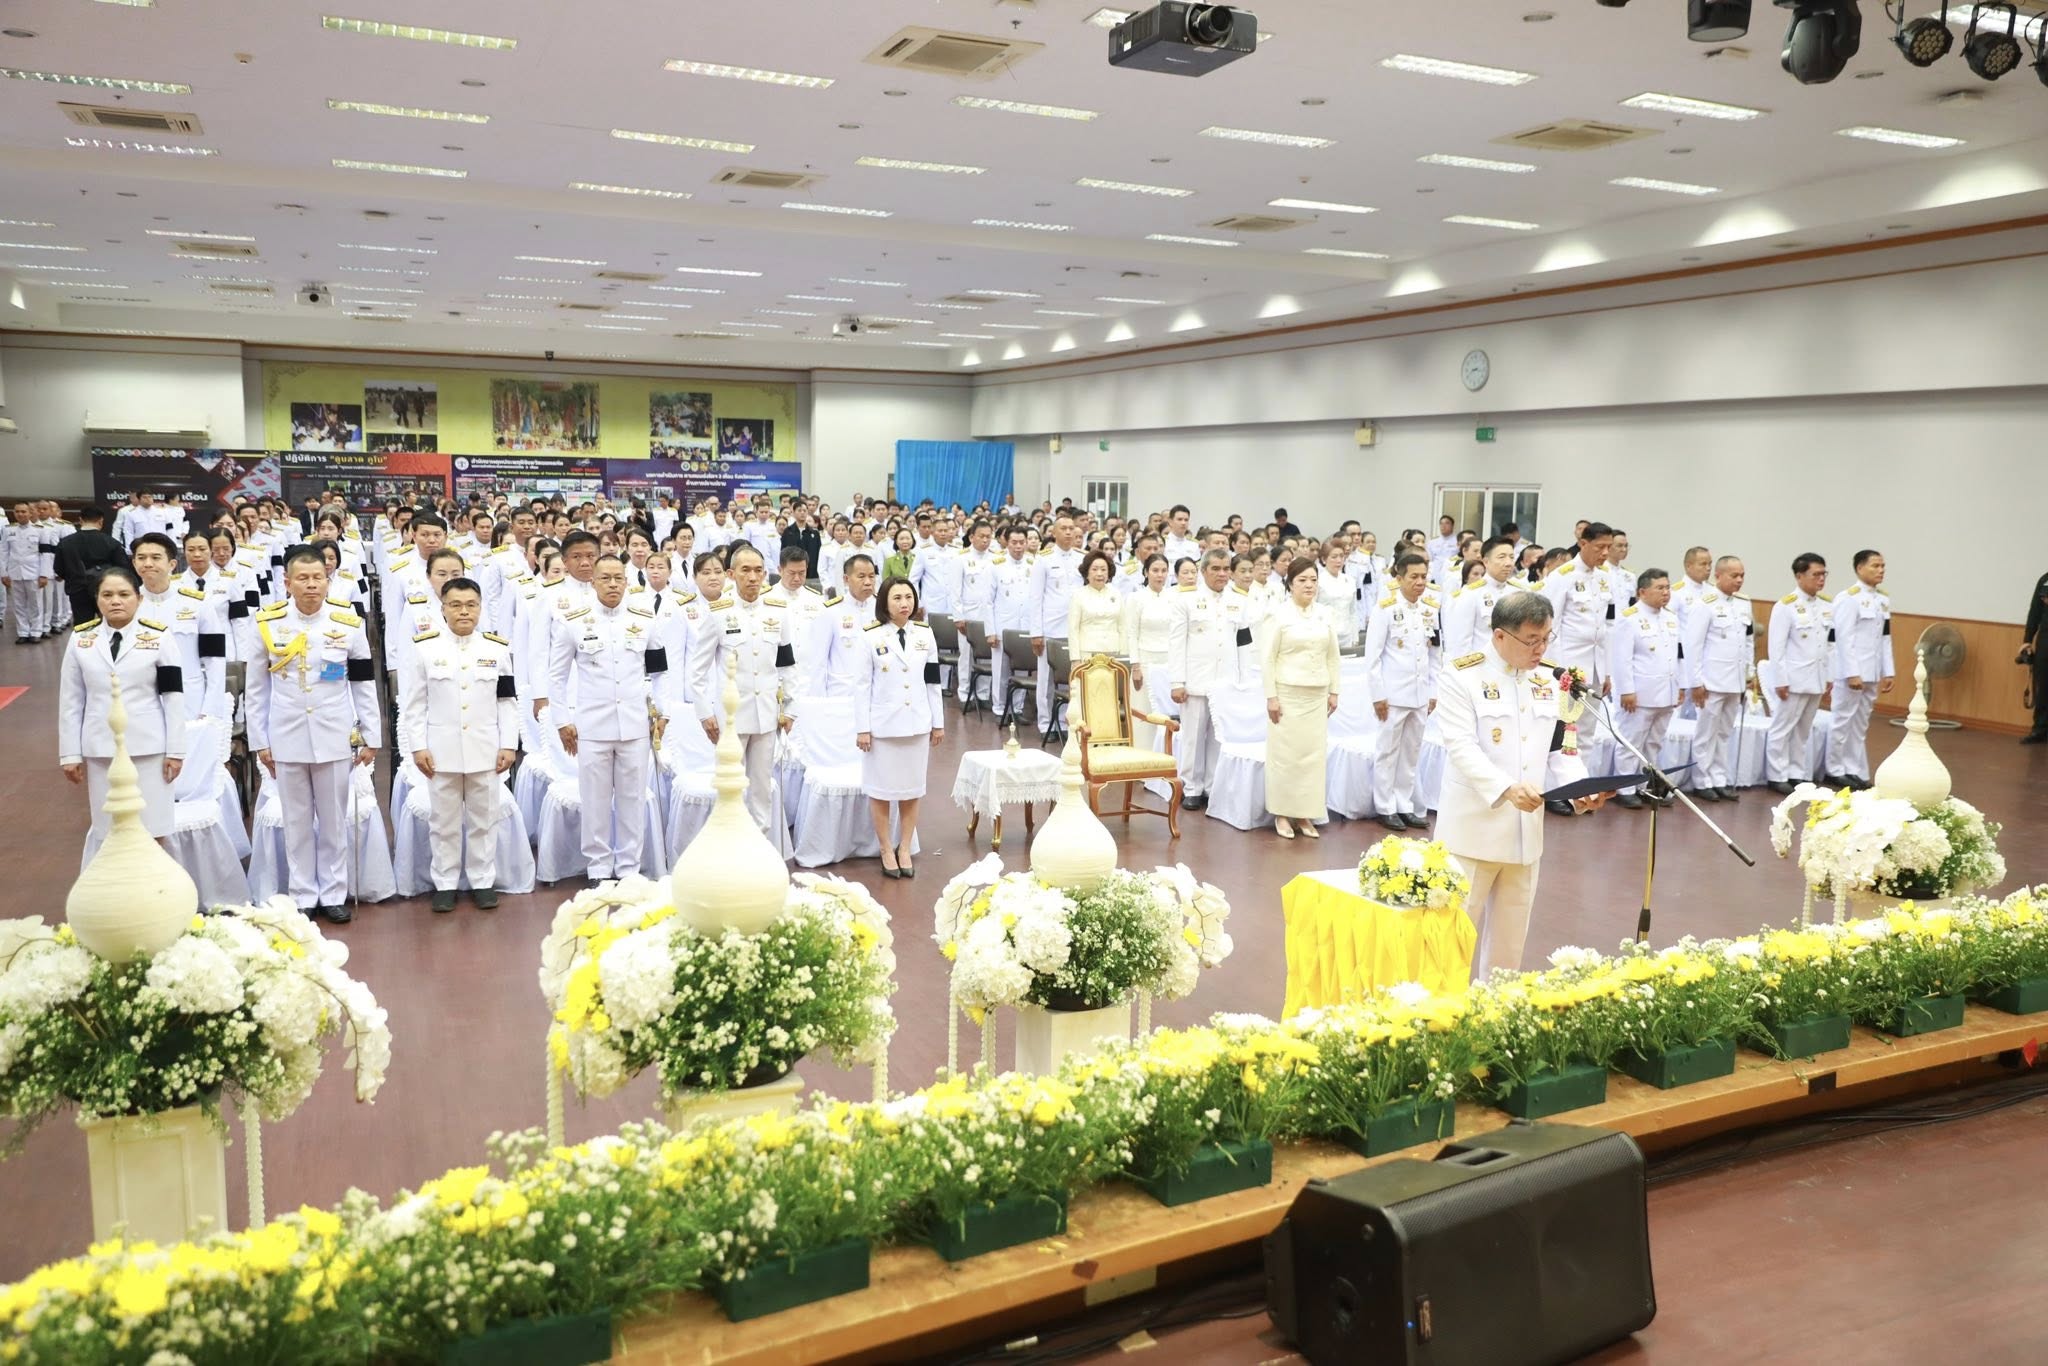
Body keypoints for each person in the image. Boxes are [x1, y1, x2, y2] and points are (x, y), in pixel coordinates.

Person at [1435, 591, 1604, 979]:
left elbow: (1559, 747)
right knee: (1454, 938)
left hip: (1525, 834)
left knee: (1509, 947)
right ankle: (1446, 1010)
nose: (1540, 649)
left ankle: (1500, 1007)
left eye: (1546, 638)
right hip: (1473, 831)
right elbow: (1462, 747)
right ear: (1500, 636)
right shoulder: (1461, 676)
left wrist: (1579, 789)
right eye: (1531, 640)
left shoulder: (1549, 678)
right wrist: (1507, 788)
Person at [247, 546, 380, 923]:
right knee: (297, 821)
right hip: (285, 734)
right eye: (302, 578)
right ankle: (303, 894)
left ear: (327, 581)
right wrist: (260, 741)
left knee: (334, 820)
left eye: (317, 578)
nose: (310, 585)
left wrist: (371, 735)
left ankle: (334, 893)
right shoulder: (267, 623)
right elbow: (256, 689)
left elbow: (363, 683)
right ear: (287, 582)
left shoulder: (347, 623)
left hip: (334, 733)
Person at [550, 555, 670, 883]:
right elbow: (556, 676)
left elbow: (660, 672)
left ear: (627, 582)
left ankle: (629, 867)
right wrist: (562, 721)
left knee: (633, 799)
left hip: (635, 725)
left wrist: (664, 712)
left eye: (619, 578)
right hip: (592, 726)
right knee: (595, 801)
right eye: (606, 578)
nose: (613, 584)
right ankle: (599, 867)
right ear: (593, 582)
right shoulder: (574, 621)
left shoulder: (645, 619)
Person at [403, 577, 519, 912]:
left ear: (480, 608)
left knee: (485, 819)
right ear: (443, 609)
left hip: (486, 749)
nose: (464, 611)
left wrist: (508, 744)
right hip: (441, 751)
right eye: (455, 605)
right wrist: (418, 747)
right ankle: (445, 882)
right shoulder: (425, 648)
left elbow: (507, 702)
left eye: (471, 605)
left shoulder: (496, 649)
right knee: (444, 822)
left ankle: (482, 880)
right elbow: (415, 705)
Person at [59, 565, 186, 856]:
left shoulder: (159, 638)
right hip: (102, 749)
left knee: (153, 829)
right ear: (97, 600)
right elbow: (71, 700)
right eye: (107, 595)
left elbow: (173, 697)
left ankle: (155, 884)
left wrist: (176, 750)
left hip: (149, 749)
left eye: (124, 594)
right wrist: (70, 754)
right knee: (110, 832)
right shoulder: (81, 640)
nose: (115, 601)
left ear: (138, 599)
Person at [690, 542, 796, 837]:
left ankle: (759, 845)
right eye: (745, 570)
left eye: (758, 571)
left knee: (762, 787)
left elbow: (787, 665)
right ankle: (729, 843)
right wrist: (705, 713)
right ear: (731, 574)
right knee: (730, 787)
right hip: (731, 718)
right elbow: (697, 670)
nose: (752, 577)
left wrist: (790, 709)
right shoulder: (718, 613)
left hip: (767, 714)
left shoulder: (777, 612)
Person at [854, 576, 944, 879]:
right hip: (883, 727)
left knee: (911, 790)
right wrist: (862, 728)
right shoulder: (870, 636)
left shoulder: (925, 634)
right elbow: (861, 686)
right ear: (885, 602)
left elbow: (933, 681)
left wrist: (938, 723)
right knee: (881, 791)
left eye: (909, 597)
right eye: (897, 598)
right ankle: (884, 848)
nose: (905, 603)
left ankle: (904, 847)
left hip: (916, 724)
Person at [1262, 557, 1341, 839]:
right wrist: (1271, 696)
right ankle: (1282, 813)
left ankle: (1305, 813)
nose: (1309, 585)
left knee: (1312, 758)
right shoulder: (1278, 614)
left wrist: (1334, 691)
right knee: (1286, 757)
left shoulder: (1325, 614)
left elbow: (1333, 655)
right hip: (1287, 693)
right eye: (1302, 580)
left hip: (1316, 694)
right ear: (1290, 584)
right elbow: (1268, 658)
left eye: (1313, 580)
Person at [1540, 521, 1617, 811]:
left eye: (1609, 547)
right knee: (1562, 731)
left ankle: (1579, 792)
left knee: (1586, 731)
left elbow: (1608, 628)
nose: (1605, 553)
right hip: (1569, 665)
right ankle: (1556, 792)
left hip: (1594, 665)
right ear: (1583, 543)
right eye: (1600, 547)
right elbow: (1551, 626)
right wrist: (1558, 670)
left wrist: (1606, 670)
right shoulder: (1563, 576)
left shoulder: (1605, 578)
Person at [1167, 550, 1251, 813]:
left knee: (1219, 739)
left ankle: (1212, 787)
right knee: (1192, 738)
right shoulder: (1186, 600)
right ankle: (1191, 787)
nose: (1222, 574)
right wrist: (1177, 682)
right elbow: (1176, 643)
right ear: (1203, 571)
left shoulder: (1239, 601)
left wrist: (1244, 682)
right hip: (1195, 680)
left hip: (1226, 682)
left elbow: (1244, 644)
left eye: (1226, 568)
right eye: (1215, 568)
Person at [1365, 552, 1443, 831]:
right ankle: (1385, 806)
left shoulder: (1429, 609)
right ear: (1399, 578)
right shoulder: (1385, 608)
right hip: (1393, 695)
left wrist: (1433, 692)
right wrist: (1378, 695)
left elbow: (1435, 654)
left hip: (1420, 694)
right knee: (1387, 751)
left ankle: (1404, 804)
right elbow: (1373, 657)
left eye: (1424, 577)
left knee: (1411, 752)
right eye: (1414, 577)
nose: (1420, 582)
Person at [1681, 556, 1755, 803]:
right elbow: (1693, 646)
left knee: (1724, 732)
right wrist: (1696, 682)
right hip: (1711, 681)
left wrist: (1749, 673)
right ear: (1718, 576)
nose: (1739, 580)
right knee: (1706, 733)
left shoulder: (1744, 603)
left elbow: (1748, 642)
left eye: (1742, 575)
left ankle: (1719, 778)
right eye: (1734, 575)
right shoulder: (1705, 604)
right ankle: (1702, 780)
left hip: (1735, 680)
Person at [1609, 570, 1685, 809]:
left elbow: (1678, 656)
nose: (1666, 592)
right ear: (1642, 592)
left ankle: (1645, 786)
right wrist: (1626, 690)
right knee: (1631, 742)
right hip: (1640, 694)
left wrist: (1680, 686)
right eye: (1660, 588)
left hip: (1666, 692)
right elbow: (1621, 659)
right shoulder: (1629, 618)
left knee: (1654, 743)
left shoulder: (1671, 618)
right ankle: (1624, 788)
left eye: (1667, 587)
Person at [1765, 553, 1834, 795]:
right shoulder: (1786, 606)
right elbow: (1776, 648)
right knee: (1783, 727)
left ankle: (1796, 772)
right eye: (1816, 574)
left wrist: (1830, 676)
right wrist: (1780, 680)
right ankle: (1777, 774)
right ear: (1799, 576)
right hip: (1793, 678)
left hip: (1817, 677)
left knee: (1803, 730)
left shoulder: (1827, 606)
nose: (1821, 579)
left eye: (1824, 574)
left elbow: (1830, 645)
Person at [1828, 549, 1896, 782]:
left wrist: (1888, 671)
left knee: (1860, 724)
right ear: (1859, 568)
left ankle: (1853, 769)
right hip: (1852, 673)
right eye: (1875, 566)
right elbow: (1843, 639)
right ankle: (1835, 769)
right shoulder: (1848, 598)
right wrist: (1852, 673)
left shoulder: (1882, 600)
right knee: (1842, 721)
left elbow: (1885, 638)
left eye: (1883, 566)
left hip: (1872, 671)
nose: (1881, 570)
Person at [1029, 515, 1083, 733]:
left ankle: (1065, 722)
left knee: (1072, 680)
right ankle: (1045, 724)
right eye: (1064, 528)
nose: (1069, 532)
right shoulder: (1043, 559)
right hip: (1050, 628)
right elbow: (1035, 598)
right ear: (1054, 532)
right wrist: (1036, 632)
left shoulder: (1082, 558)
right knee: (1046, 679)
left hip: (1076, 629)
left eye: (1071, 528)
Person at [1443, 536, 1524, 659]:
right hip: (1483, 665)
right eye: (1501, 557)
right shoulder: (1470, 594)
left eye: (1511, 557)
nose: (1508, 563)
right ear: (1486, 561)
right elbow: (1460, 643)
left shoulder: (1521, 592)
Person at [52, 506, 128, 629]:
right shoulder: (111, 542)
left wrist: (72, 576)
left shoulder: (65, 543)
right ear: (101, 521)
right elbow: (122, 568)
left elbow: (58, 568)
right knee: (109, 624)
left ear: (80, 520)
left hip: (77, 589)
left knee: (82, 626)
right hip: (106, 589)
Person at [4, 504, 51, 643]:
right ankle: (23, 632)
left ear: (30, 513)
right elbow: (4, 552)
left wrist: (44, 574)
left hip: (34, 572)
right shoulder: (8, 530)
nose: (20, 514)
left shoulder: (40, 530)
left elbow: (45, 553)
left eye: (23, 511)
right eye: (17, 511)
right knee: (18, 604)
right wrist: (3, 573)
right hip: (15, 572)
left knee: (35, 604)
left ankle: (36, 632)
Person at [1067, 549, 1126, 658]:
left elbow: (1122, 627)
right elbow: (1073, 630)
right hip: (1086, 654)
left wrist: (1124, 655)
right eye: (1094, 569)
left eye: (1103, 569)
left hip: (1113, 652)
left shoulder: (1116, 594)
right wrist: (1075, 659)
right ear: (1087, 573)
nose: (1099, 574)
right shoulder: (1078, 595)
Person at [2023, 568, 2048, 745]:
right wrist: (2027, 640)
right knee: (2043, 686)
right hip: (2045, 639)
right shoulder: (2045, 580)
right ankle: (2040, 729)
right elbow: (2035, 612)